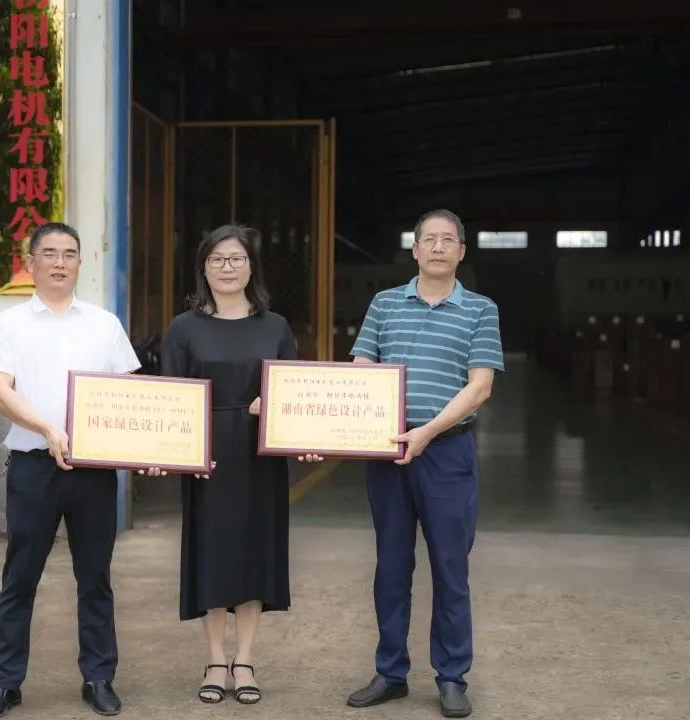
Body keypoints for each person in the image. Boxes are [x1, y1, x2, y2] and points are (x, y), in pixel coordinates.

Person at [140, 224, 321, 705]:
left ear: (250, 268)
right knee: (213, 553)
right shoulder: (183, 328)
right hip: (208, 457)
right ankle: (215, 659)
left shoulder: (275, 326)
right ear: (203, 268)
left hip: (259, 456)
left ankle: (245, 659)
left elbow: (295, 393)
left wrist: (285, 417)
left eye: (236, 259)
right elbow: (170, 397)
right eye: (217, 259)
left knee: (254, 551)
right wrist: (164, 453)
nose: (227, 267)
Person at [0, 222, 141, 720]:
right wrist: (47, 429)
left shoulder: (104, 324)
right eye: (49, 253)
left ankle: (99, 678)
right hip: (34, 468)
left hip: (92, 472)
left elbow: (129, 395)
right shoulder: (9, 324)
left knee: (95, 578)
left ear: (80, 263)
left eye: (70, 253)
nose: (60, 262)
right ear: (31, 263)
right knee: (19, 578)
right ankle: (5, 682)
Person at [345, 209, 503, 718]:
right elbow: (362, 368)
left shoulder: (480, 309)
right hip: (388, 449)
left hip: (447, 453)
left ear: (461, 251)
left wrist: (428, 432)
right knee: (391, 566)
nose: (437, 247)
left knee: (450, 568)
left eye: (447, 240)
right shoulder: (384, 303)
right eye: (428, 239)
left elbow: (480, 386)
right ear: (414, 250)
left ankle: (452, 676)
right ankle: (390, 672)